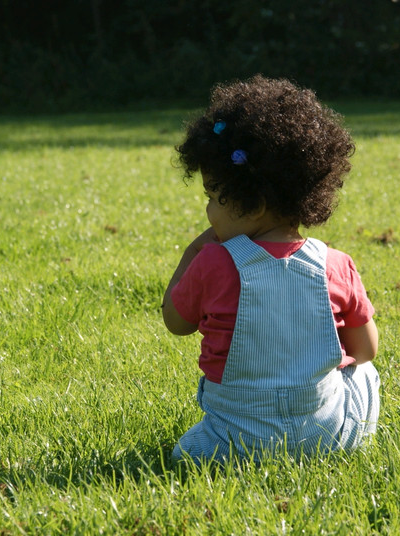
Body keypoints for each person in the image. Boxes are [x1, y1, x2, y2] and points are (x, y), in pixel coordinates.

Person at [162, 75, 380, 464]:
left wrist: (193, 251)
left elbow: (175, 321)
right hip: (325, 436)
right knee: (364, 376)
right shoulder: (337, 264)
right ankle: (340, 440)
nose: (208, 210)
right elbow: (365, 351)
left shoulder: (212, 262)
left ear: (255, 204)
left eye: (213, 196)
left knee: (186, 455)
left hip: (233, 442)